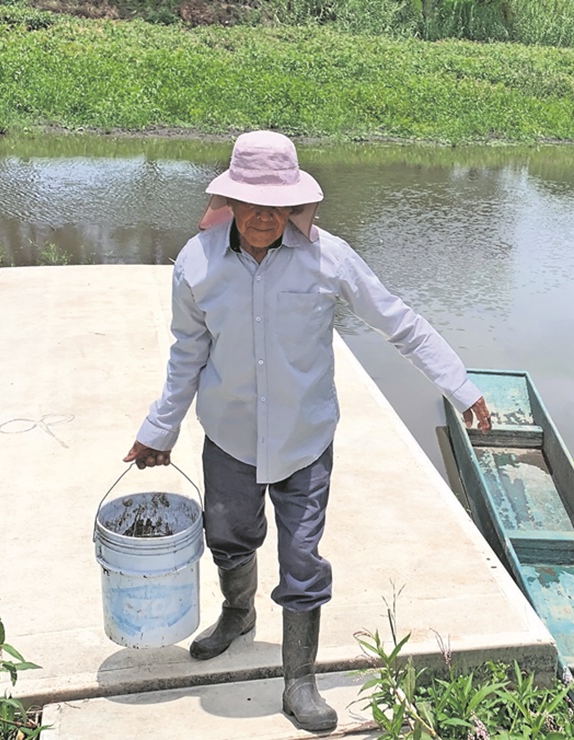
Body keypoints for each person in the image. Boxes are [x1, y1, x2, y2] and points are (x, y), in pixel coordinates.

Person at [124, 130, 492, 732]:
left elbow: (399, 322)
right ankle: (237, 614)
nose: (265, 217)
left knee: (301, 558)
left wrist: (462, 385)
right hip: (231, 435)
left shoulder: (331, 259)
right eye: (251, 203)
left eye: (278, 204)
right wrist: (158, 430)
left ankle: (298, 681)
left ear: (297, 204)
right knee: (229, 535)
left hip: (304, 440)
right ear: (231, 202)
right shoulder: (197, 262)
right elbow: (186, 355)